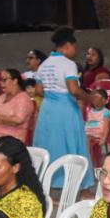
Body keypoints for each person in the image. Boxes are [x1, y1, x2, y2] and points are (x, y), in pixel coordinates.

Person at [31, 27, 96, 191]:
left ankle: (49, 180)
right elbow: (73, 89)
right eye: (75, 47)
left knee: (50, 144)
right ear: (67, 45)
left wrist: (52, 96)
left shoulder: (43, 64)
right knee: (69, 142)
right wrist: (89, 99)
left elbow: (38, 91)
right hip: (65, 109)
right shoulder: (68, 64)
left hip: (47, 110)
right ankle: (74, 181)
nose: (75, 51)